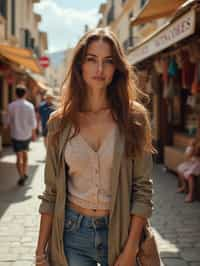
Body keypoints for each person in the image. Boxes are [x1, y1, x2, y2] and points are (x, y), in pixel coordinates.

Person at [35, 28, 154, 266]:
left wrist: (131, 250)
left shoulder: (134, 118)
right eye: (91, 59)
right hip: (72, 235)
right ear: (80, 65)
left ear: (116, 68)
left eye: (108, 61)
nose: (99, 69)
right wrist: (40, 253)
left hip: (120, 233)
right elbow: (51, 192)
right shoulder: (59, 123)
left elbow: (142, 190)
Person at [7, 84, 37, 186]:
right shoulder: (30, 106)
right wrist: (33, 134)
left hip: (15, 134)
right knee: (25, 155)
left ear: (15, 94)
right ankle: (24, 173)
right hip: (26, 134)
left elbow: (8, 121)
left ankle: (21, 176)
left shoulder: (11, 105)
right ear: (25, 94)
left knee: (18, 157)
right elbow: (33, 121)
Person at [177, 135, 200, 203]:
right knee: (180, 168)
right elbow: (187, 157)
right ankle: (184, 186)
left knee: (189, 175)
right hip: (193, 162)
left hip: (198, 164)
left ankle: (191, 194)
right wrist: (191, 148)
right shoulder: (193, 144)